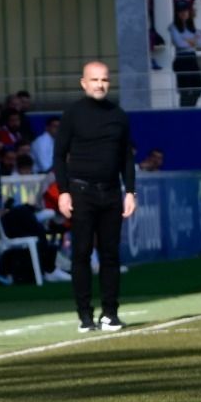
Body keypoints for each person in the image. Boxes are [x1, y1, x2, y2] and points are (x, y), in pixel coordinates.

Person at [53, 61, 136, 332]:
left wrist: (130, 192)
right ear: (83, 83)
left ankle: (110, 313)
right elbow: (59, 156)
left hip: (111, 193)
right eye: (95, 80)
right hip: (81, 193)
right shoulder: (72, 114)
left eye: (104, 80)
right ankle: (85, 316)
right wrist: (64, 192)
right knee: (81, 253)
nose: (100, 84)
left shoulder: (118, 115)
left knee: (111, 255)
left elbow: (126, 157)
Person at [169, 10, 201, 108]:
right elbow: (179, 44)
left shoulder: (192, 28)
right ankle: (184, 110)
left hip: (192, 57)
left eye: (186, 11)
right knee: (185, 90)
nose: (184, 14)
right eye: (181, 11)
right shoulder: (173, 27)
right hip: (181, 58)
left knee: (197, 87)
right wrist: (192, 40)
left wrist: (187, 40)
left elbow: (200, 42)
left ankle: (191, 107)